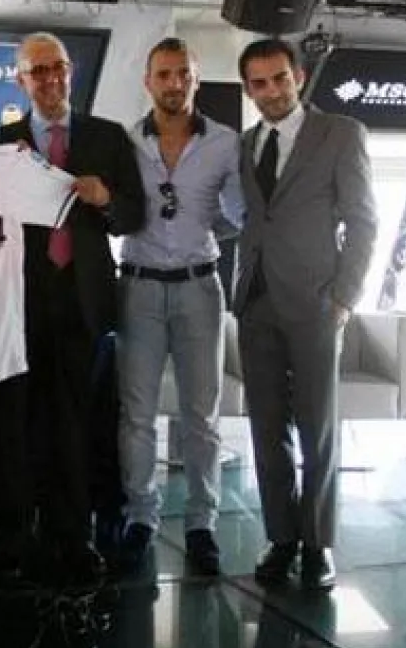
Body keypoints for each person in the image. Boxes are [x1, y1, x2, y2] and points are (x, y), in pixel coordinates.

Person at [0, 32, 145, 586]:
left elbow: (133, 216)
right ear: (20, 80)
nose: (51, 79)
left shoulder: (108, 136)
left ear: (70, 72)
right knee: (11, 423)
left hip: (83, 302)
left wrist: (106, 198)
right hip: (15, 305)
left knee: (76, 425)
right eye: (38, 70)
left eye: (58, 68)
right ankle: (10, 536)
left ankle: (72, 537)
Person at [235, 38, 376, 591]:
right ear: (249, 89)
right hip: (256, 301)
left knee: (318, 427)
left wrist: (344, 298)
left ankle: (318, 544)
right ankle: (281, 537)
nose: (272, 91)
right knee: (266, 429)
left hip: (317, 302)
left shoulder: (340, 133)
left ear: (298, 76)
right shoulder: (246, 143)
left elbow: (363, 221)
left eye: (280, 78)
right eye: (259, 83)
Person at [115, 37, 244, 575]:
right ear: (148, 81)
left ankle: (200, 524)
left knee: (201, 415)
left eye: (183, 74)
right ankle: (140, 516)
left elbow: (241, 215)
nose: (174, 83)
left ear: (196, 79)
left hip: (198, 287)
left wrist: (201, 231)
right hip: (139, 287)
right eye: (164, 74)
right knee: (136, 414)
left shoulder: (227, 143)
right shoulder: (124, 142)